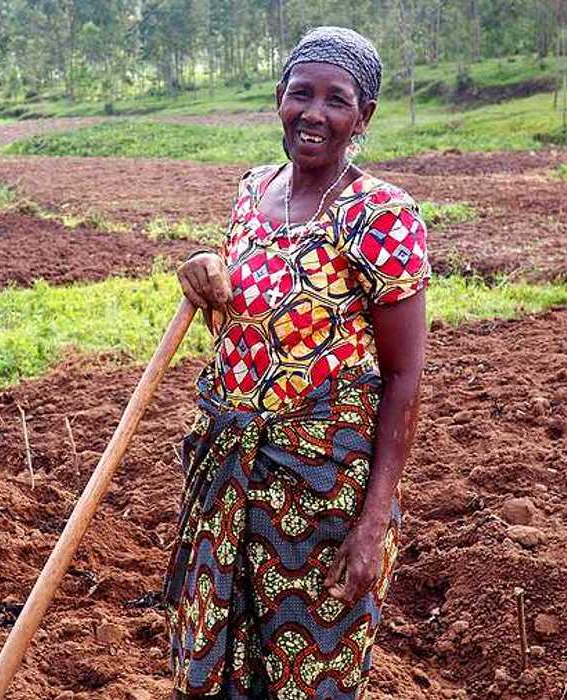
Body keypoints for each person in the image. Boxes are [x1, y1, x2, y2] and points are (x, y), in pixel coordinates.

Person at [167, 26, 431, 700]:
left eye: (335, 100)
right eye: (299, 94)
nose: (313, 113)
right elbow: (244, 304)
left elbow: (403, 378)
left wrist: (371, 527)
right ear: (277, 100)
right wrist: (203, 268)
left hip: (320, 493)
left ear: (362, 116)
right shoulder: (253, 191)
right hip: (230, 476)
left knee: (307, 673)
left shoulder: (382, 214)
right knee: (220, 660)